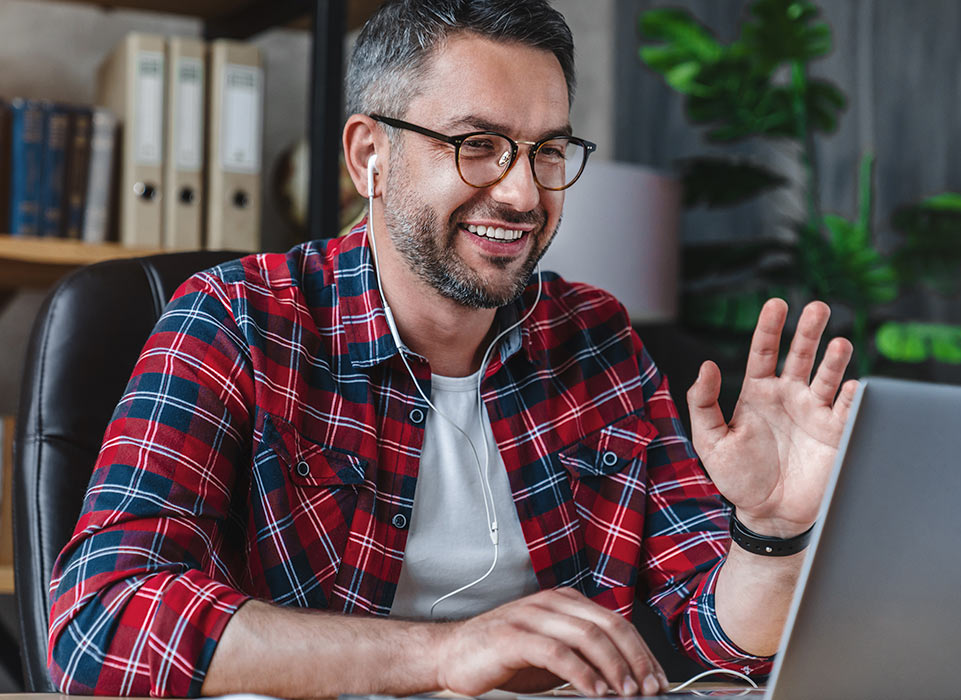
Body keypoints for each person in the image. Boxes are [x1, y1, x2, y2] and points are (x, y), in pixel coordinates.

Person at [47, 1, 857, 697]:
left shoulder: (597, 341)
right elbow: (102, 622)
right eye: (477, 144)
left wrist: (770, 530)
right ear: (370, 156)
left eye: (546, 151)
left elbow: (724, 640)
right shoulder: (239, 321)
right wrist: (447, 651)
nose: (521, 192)